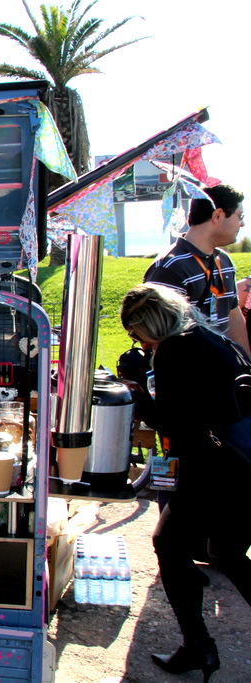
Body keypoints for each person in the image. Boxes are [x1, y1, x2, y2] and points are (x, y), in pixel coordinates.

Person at [120, 284, 251, 681]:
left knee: (169, 543)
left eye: (136, 334)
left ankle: (198, 646)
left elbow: (174, 424)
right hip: (242, 462)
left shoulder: (175, 350)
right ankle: (197, 646)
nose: (139, 343)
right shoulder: (210, 336)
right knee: (226, 552)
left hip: (218, 468)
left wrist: (137, 392)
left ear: (147, 325)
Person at [144, 183, 250, 356]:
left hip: (225, 370)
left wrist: (246, 365)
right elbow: (156, 336)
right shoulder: (169, 267)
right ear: (217, 215)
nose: (242, 223)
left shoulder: (224, 261)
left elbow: (234, 317)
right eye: (240, 216)